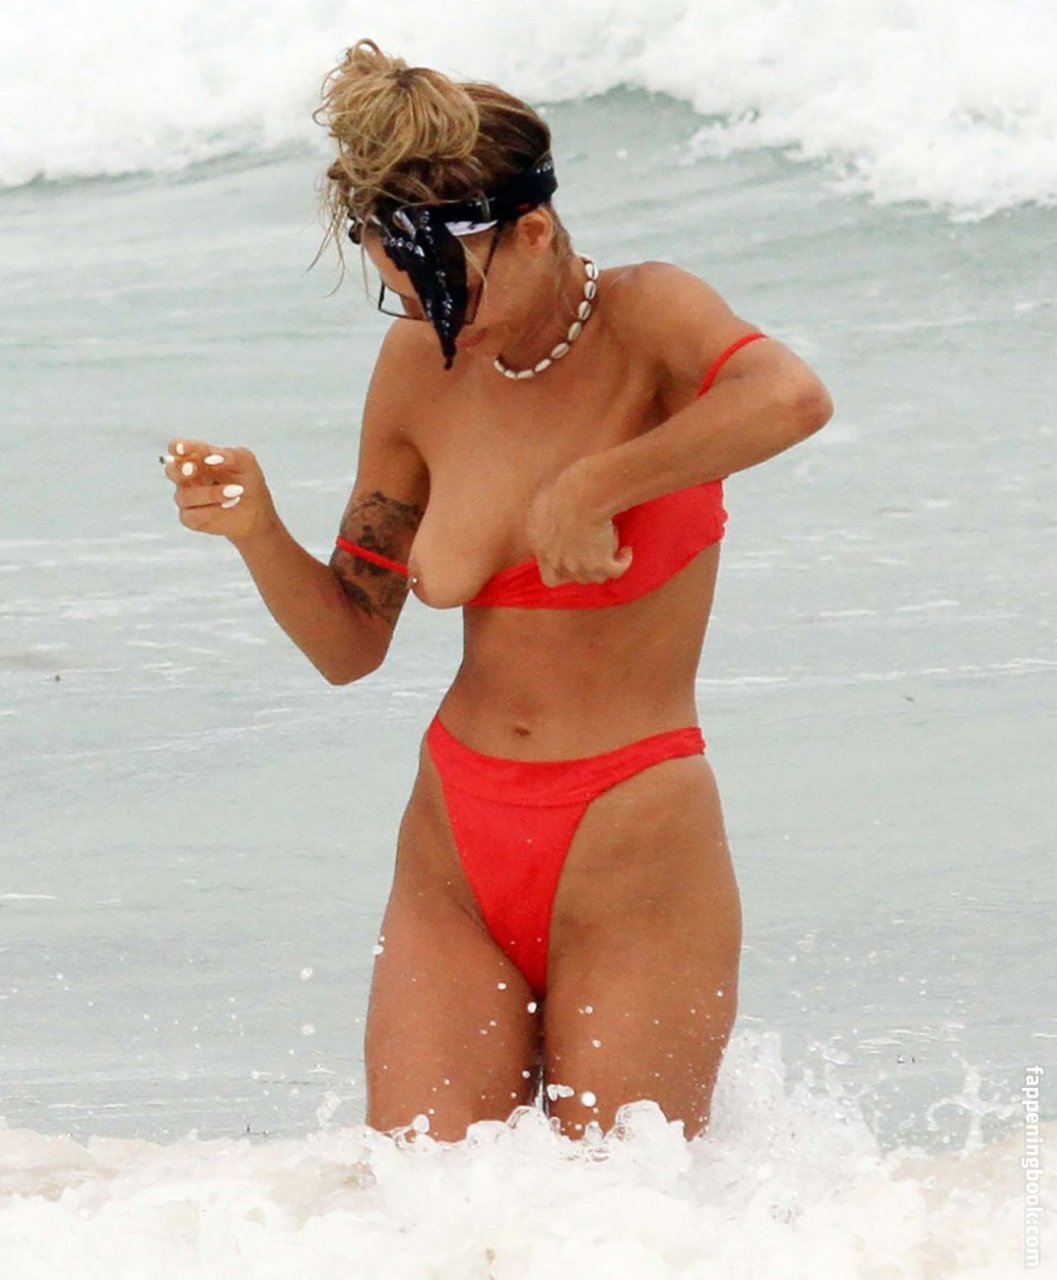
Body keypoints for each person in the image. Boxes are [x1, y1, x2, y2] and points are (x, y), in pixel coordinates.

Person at [161, 38, 833, 1143]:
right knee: (420, 1205)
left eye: (449, 288)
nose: (438, 321)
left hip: (632, 842)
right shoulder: (420, 367)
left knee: (623, 1211)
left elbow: (791, 398)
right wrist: (256, 531)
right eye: (402, 290)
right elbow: (349, 643)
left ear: (530, 230)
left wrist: (598, 485)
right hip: (453, 848)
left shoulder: (647, 317)